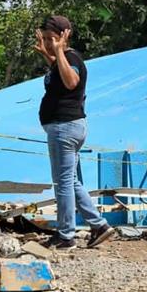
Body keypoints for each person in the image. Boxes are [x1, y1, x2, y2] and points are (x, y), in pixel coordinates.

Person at [34, 15, 115, 249]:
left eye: (53, 38)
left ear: (65, 36)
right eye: (46, 39)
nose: (50, 43)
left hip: (64, 127)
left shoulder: (71, 57)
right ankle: (99, 225)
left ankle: (66, 235)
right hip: (64, 127)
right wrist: (47, 54)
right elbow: (60, 73)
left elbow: (71, 82)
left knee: (62, 184)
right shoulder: (63, 59)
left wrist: (58, 51)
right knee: (71, 181)